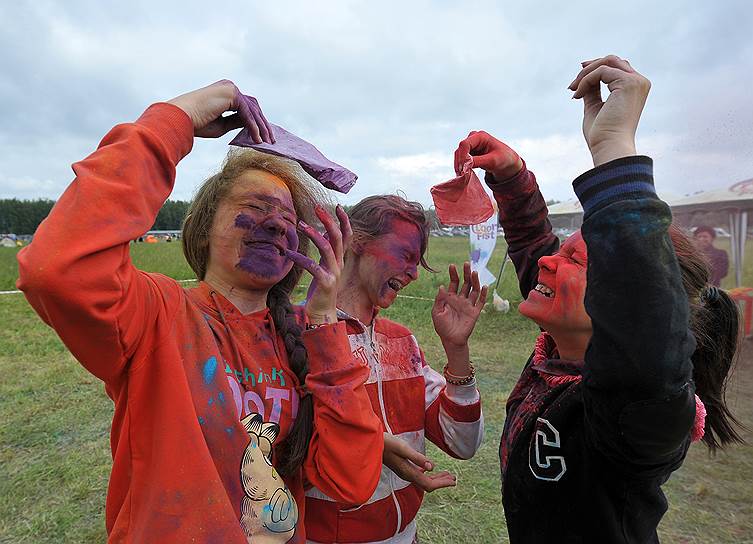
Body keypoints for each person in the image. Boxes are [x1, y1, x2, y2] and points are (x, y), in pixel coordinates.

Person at [17, 80, 383, 543]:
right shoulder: (159, 315)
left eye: (289, 221)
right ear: (205, 228)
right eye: (254, 208)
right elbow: (58, 269)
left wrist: (326, 324)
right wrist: (178, 117)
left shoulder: (303, 341)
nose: (275, 224)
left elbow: (350, 480)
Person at [455, 55, 744, 542]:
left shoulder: (641, 410)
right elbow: (534, 245)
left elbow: (641, 310)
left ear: (620, 302)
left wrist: (612, 146)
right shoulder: (561, 354)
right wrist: (511, 177)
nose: (548, 263)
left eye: (576, 261)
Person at [304, 195, 487, 543]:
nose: (415, 273)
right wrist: (372, 445)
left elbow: (462, 443)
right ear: (356, 240)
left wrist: (457, 350)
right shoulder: (298, 334)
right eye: (406, 255)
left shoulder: (401, 342)